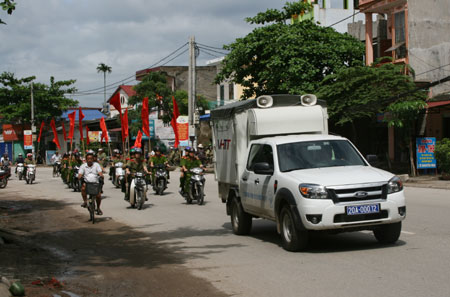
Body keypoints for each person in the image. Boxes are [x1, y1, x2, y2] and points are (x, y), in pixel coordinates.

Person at [78, 150, 104, 215]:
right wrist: (80, 177)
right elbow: (80, 175)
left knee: (98, 195)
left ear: (93, 159)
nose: (89, 160)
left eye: (91, 159)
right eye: (88, 159)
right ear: (86, 159)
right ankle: (85, 202)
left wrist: (101, 176)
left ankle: (98, 208)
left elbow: (100, 173)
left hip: (95, 183)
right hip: (87, 183)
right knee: (83, 188)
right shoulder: (83, 166)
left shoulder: (96, 165)